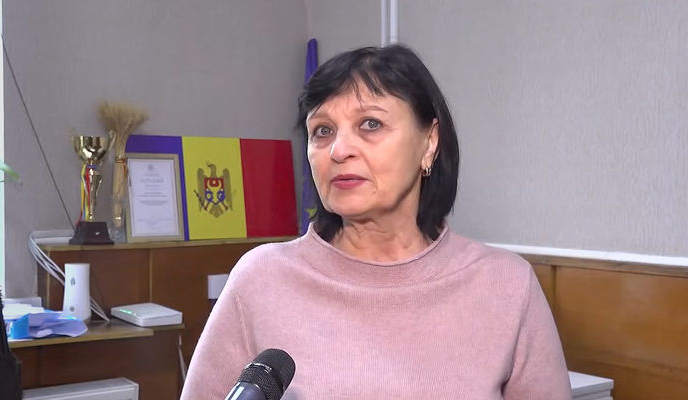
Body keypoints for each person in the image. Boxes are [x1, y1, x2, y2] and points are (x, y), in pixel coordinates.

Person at [181, 45, 572, 399]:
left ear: (429, 142)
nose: (339, 150)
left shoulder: (506, 285)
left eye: (370, 124)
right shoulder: (260, 279)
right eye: (322, 131)